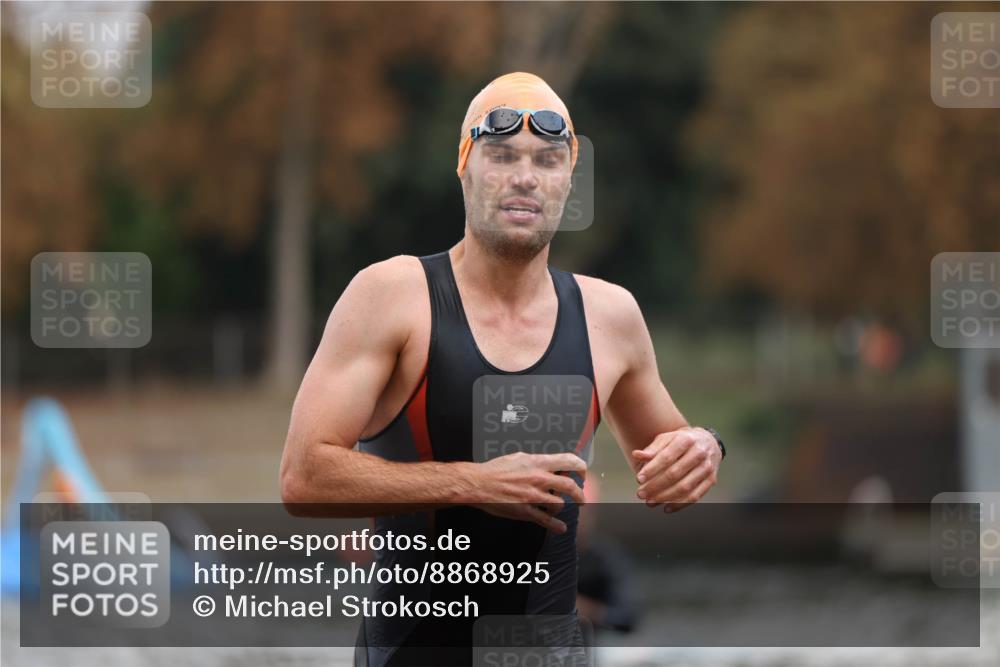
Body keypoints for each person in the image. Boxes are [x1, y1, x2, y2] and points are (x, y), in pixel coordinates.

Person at [279, 71, 725, 667]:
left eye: (546, 160)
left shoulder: (609, 315)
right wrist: (475, 483)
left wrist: (705, 447)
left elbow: (668, 459)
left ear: (569, 179)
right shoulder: (392, 295)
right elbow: (303, 477)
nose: (524, 177)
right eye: (502, 155)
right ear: (465, 166)